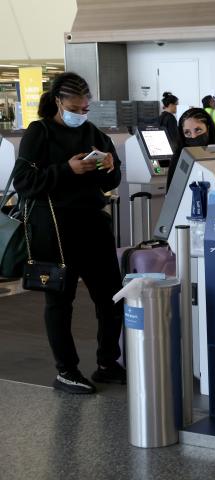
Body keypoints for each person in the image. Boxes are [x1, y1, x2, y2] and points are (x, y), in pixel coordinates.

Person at [12, 72, 126, 394]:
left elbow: (110, 182)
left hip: (93, 224)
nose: (81, 113)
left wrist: (109, 167)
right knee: (60, 301)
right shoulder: (40, 132)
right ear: (59, 102)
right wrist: (67, 170)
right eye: (75, 107)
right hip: (54, 229)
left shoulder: (93, 133)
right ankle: (67, 370)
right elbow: (24, 181)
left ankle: (107, 361)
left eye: (86, 108)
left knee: (110, 297)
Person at [166, 107, 215, 190]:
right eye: (187, 132)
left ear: (208, 129)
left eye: (198, 130)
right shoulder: (179, 159)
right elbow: (171, 193)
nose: (193, 136)